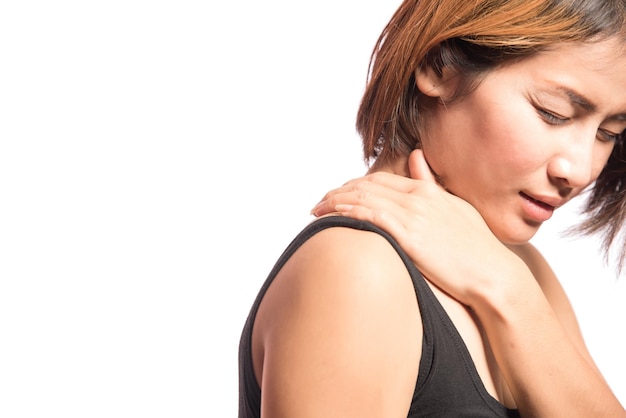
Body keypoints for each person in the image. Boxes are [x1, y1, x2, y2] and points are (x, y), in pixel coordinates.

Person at [239, 0, 626, 416]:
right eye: (553, 113)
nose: (582, 170)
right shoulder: (358, 270)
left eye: (608, 133)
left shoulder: (518, 273)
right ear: (439, 67)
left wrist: (509, 291)